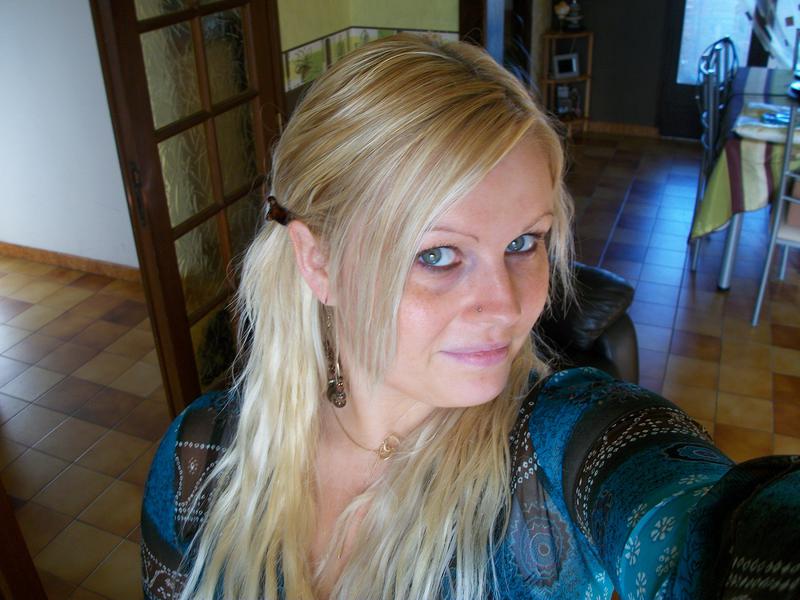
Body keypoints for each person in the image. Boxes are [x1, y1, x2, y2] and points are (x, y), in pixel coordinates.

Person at [141, 34, 800, 600]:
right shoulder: (199, 460)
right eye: (436, 255)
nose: (507, 307)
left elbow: (707, 527)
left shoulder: (556, 453)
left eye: (524, 242)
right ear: (319, 262)